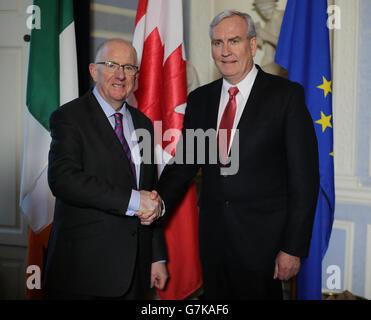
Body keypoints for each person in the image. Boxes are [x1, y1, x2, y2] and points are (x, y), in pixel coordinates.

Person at [154, 10, 320, 299]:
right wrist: (155, 200)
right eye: (217, 43)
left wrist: (293, 247)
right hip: (213, 241)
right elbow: (184, 165)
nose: (225, 51)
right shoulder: (200, 100)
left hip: (264, 245)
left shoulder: (285, 96)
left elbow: (304, 178)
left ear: (252, 45)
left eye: (234, 41)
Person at [43, 39, 168, 299]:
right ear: (93, 70)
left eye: (129, 67)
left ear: (136, 75)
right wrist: (135, 201)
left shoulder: (143, 123)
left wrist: (156, 256)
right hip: (85, 273)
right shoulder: (69, 117)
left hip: (135, 271)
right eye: (111, 65)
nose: (121, 74)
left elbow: (150, 190)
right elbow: (63, 179)